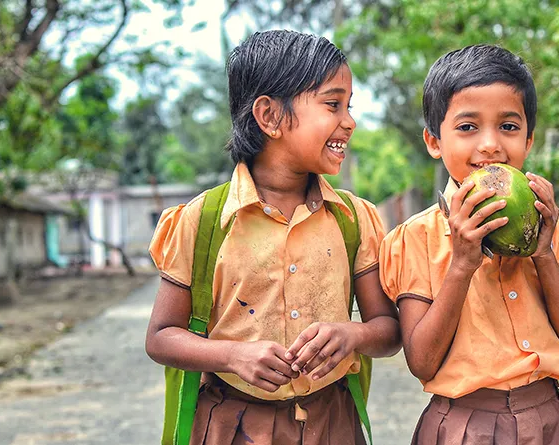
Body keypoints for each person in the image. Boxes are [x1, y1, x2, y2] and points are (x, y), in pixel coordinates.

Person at [145, 30, 400, 445]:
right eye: (333, 104)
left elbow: (388, 330)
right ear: (269, 116)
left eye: (348, 106)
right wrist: (232, 355)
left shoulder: (354, 219)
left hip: (332, 424)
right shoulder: (203, 220)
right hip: (231, 426)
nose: (349, 122)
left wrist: (352, 335)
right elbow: (160, 337)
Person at [379, 44, 559, 445]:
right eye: (467, 127)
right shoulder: (415, 240)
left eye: (509, 127)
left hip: (550, 423)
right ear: (434, 141)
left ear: (529, 140)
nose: (491, 145)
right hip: (462, 427)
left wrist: (542, 252)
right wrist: (461, 264)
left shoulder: (558, 228)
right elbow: (422, 362)